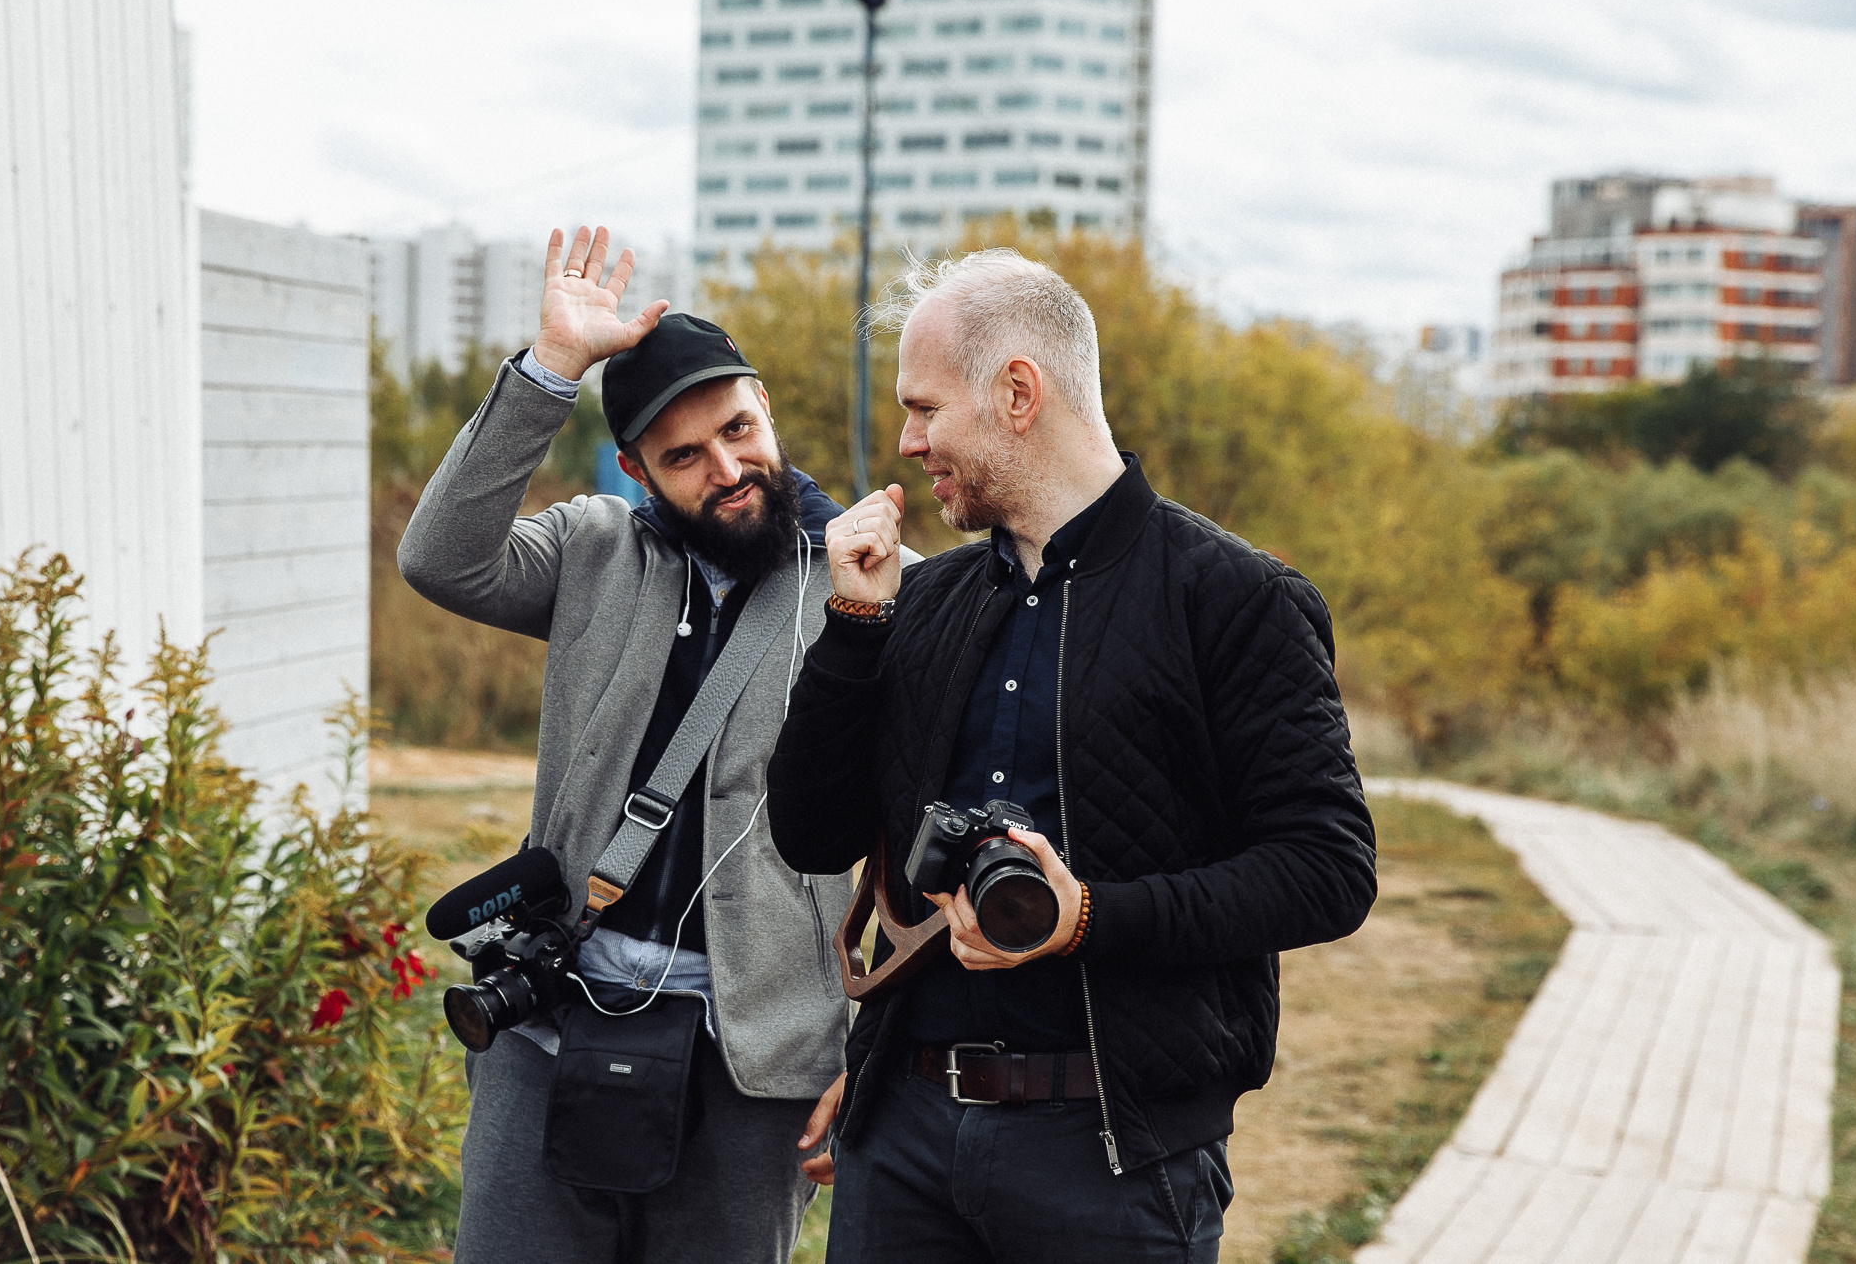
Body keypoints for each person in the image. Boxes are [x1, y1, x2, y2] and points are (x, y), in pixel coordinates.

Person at [767, 248, 1378, 1263]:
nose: (908, 442)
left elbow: (1326, 871)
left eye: (924, 408)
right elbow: (809, 833)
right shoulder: (920, 601)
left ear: (1017, 392)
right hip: (904, 1141)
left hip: (1113, 1157)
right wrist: (853, 630)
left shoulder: (1236, 601)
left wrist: (1085, 916)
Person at [399, 226, 859, 1264]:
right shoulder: (592, 548)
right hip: (552, 1024)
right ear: (637, 470)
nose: (728, 469)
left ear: (766, 409)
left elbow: (910, 843)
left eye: (739, 430)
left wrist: (866, 1047)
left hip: (757, 1055)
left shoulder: (872, 584)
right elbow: (440, 558)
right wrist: (550, 368)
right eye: (684, 457)